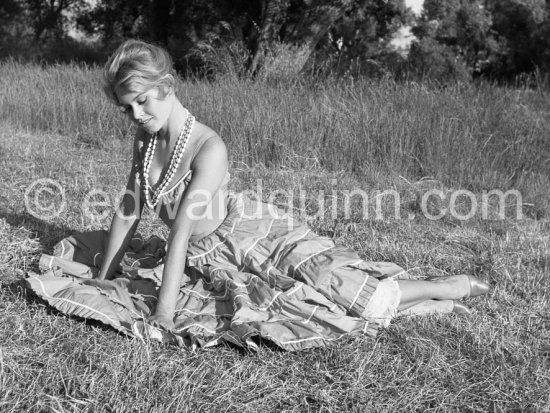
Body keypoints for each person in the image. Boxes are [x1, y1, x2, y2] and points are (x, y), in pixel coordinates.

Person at [96, 39, 489, 337]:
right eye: (126, 108)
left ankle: (442, 286)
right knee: (301, 309)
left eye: (143, 102)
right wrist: (102, 278)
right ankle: (428, 307)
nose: (136, 115)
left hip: (249, 238)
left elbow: (179, 230)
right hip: (204, 256)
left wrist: (164, 316)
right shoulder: (145, 140)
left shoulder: (208, 147)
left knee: (337, 290)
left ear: (167, 85)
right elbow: (130, 208)